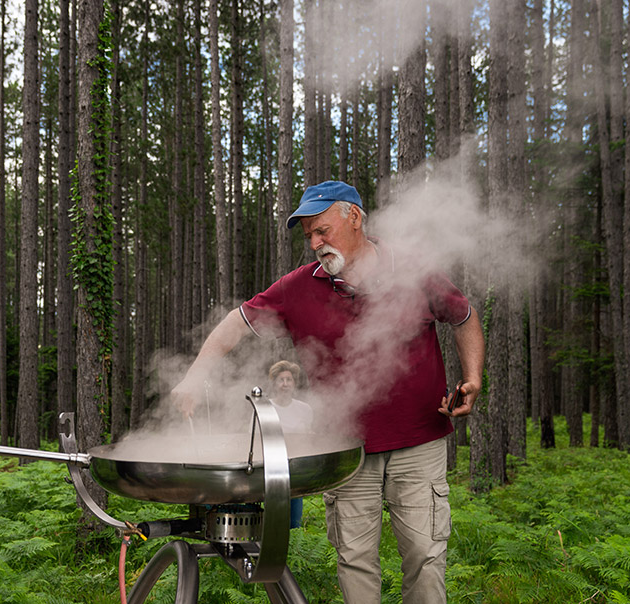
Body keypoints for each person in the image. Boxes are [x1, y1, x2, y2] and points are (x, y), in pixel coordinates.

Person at [173, 180, 485, 603]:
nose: (316, 244)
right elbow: (236, 324)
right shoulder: (297, 288)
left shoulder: (414, 269)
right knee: (355, 560)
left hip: (420, 442)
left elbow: (464, 316)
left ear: (354, 217)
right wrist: (194, 377)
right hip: (345, 450)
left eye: (322, 231)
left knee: (425, 557)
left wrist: (473, 376)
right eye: (310, 237)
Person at [267, 360, 313, 529]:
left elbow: (309, 436)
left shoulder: (304, 409)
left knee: (294, 521)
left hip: (295, 466)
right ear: (274, 383)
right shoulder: (265, 408)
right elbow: (254, 437)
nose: (285, 384)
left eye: (289, 380)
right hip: (271, 466)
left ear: (294, 383)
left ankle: (293, 540)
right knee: (273, 515)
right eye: (281, 380)